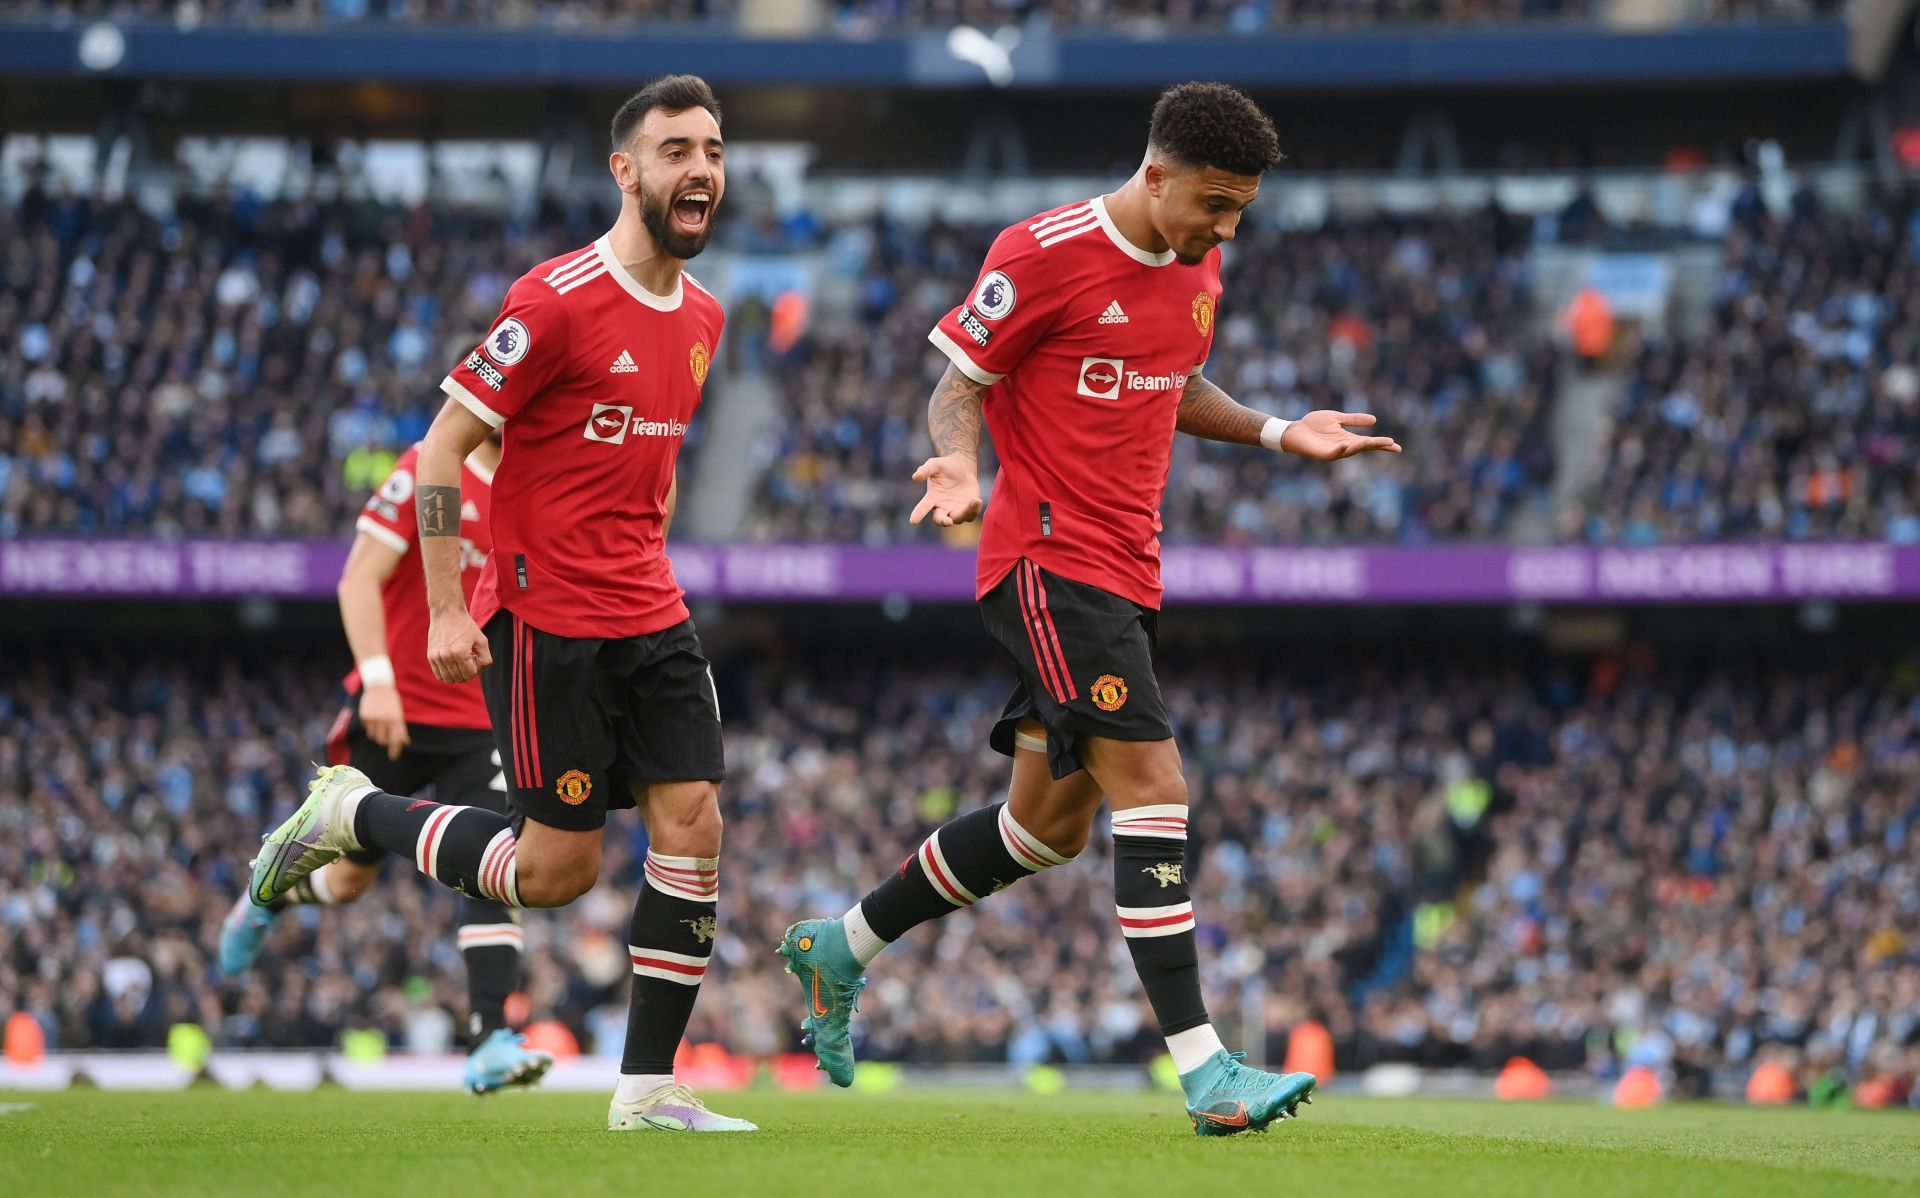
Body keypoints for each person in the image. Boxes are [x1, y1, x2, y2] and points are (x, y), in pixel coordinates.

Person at [776, 81, 1402, 1137]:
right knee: (1154, 786)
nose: (1227, 228)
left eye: (1240, 208)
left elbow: (1174, 381)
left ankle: (840, 946)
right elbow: (958, 383)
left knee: (1043, 828)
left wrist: (1279, 429)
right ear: (1155, 174)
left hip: (1128, 569)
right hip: (1048, 558)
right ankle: (1206, 1073)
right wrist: (960, 467)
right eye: (1213, 203)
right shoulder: (1040, 251)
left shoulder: (1200, 262)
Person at [246, 74, 751, 1133]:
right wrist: (441, 606)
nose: (700, 167)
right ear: (627, 171)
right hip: (546, 617)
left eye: (712, 149)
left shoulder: (705, 316)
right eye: (676, 151)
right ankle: (349, 811)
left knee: (694, 822)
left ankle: (646, 1088)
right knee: (555, 871)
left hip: (652, 610)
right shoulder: (555, 299)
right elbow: (442, 447)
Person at [218, 433, 550, 1094]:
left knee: (496, 866)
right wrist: (376, 680)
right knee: (346, 885)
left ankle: (488, 1040)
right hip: (391, 708)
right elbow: (359, 577)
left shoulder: (535, 490)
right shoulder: (428, 470)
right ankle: (265, 900)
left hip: (479, 720)